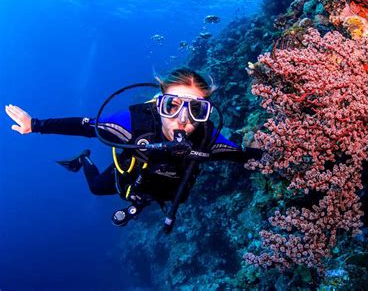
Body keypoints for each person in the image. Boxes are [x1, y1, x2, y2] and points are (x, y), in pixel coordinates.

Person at [5, 68, 263, 229]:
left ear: (206, 113)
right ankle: (84, 159)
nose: (182, 119)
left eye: (196, 110)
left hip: (165, 191)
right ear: (158, 104)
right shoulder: (135, 123)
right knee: (97, 188)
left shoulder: (208, 139)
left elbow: (242, 155)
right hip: (130, 177)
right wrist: (35, 124)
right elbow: (86, 125)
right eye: (172, 106)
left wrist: (273, 154)